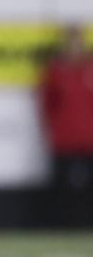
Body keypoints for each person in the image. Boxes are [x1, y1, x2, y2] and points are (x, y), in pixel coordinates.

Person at [39, 23, 93, 228]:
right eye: (70, 41)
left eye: (77, 40)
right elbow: (47, 104)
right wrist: (54, 131)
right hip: (64, 139)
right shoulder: (56, 71)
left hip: (90, 138)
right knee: (63, 187)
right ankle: (62, 226)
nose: (74, 46)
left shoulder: (90, 68)